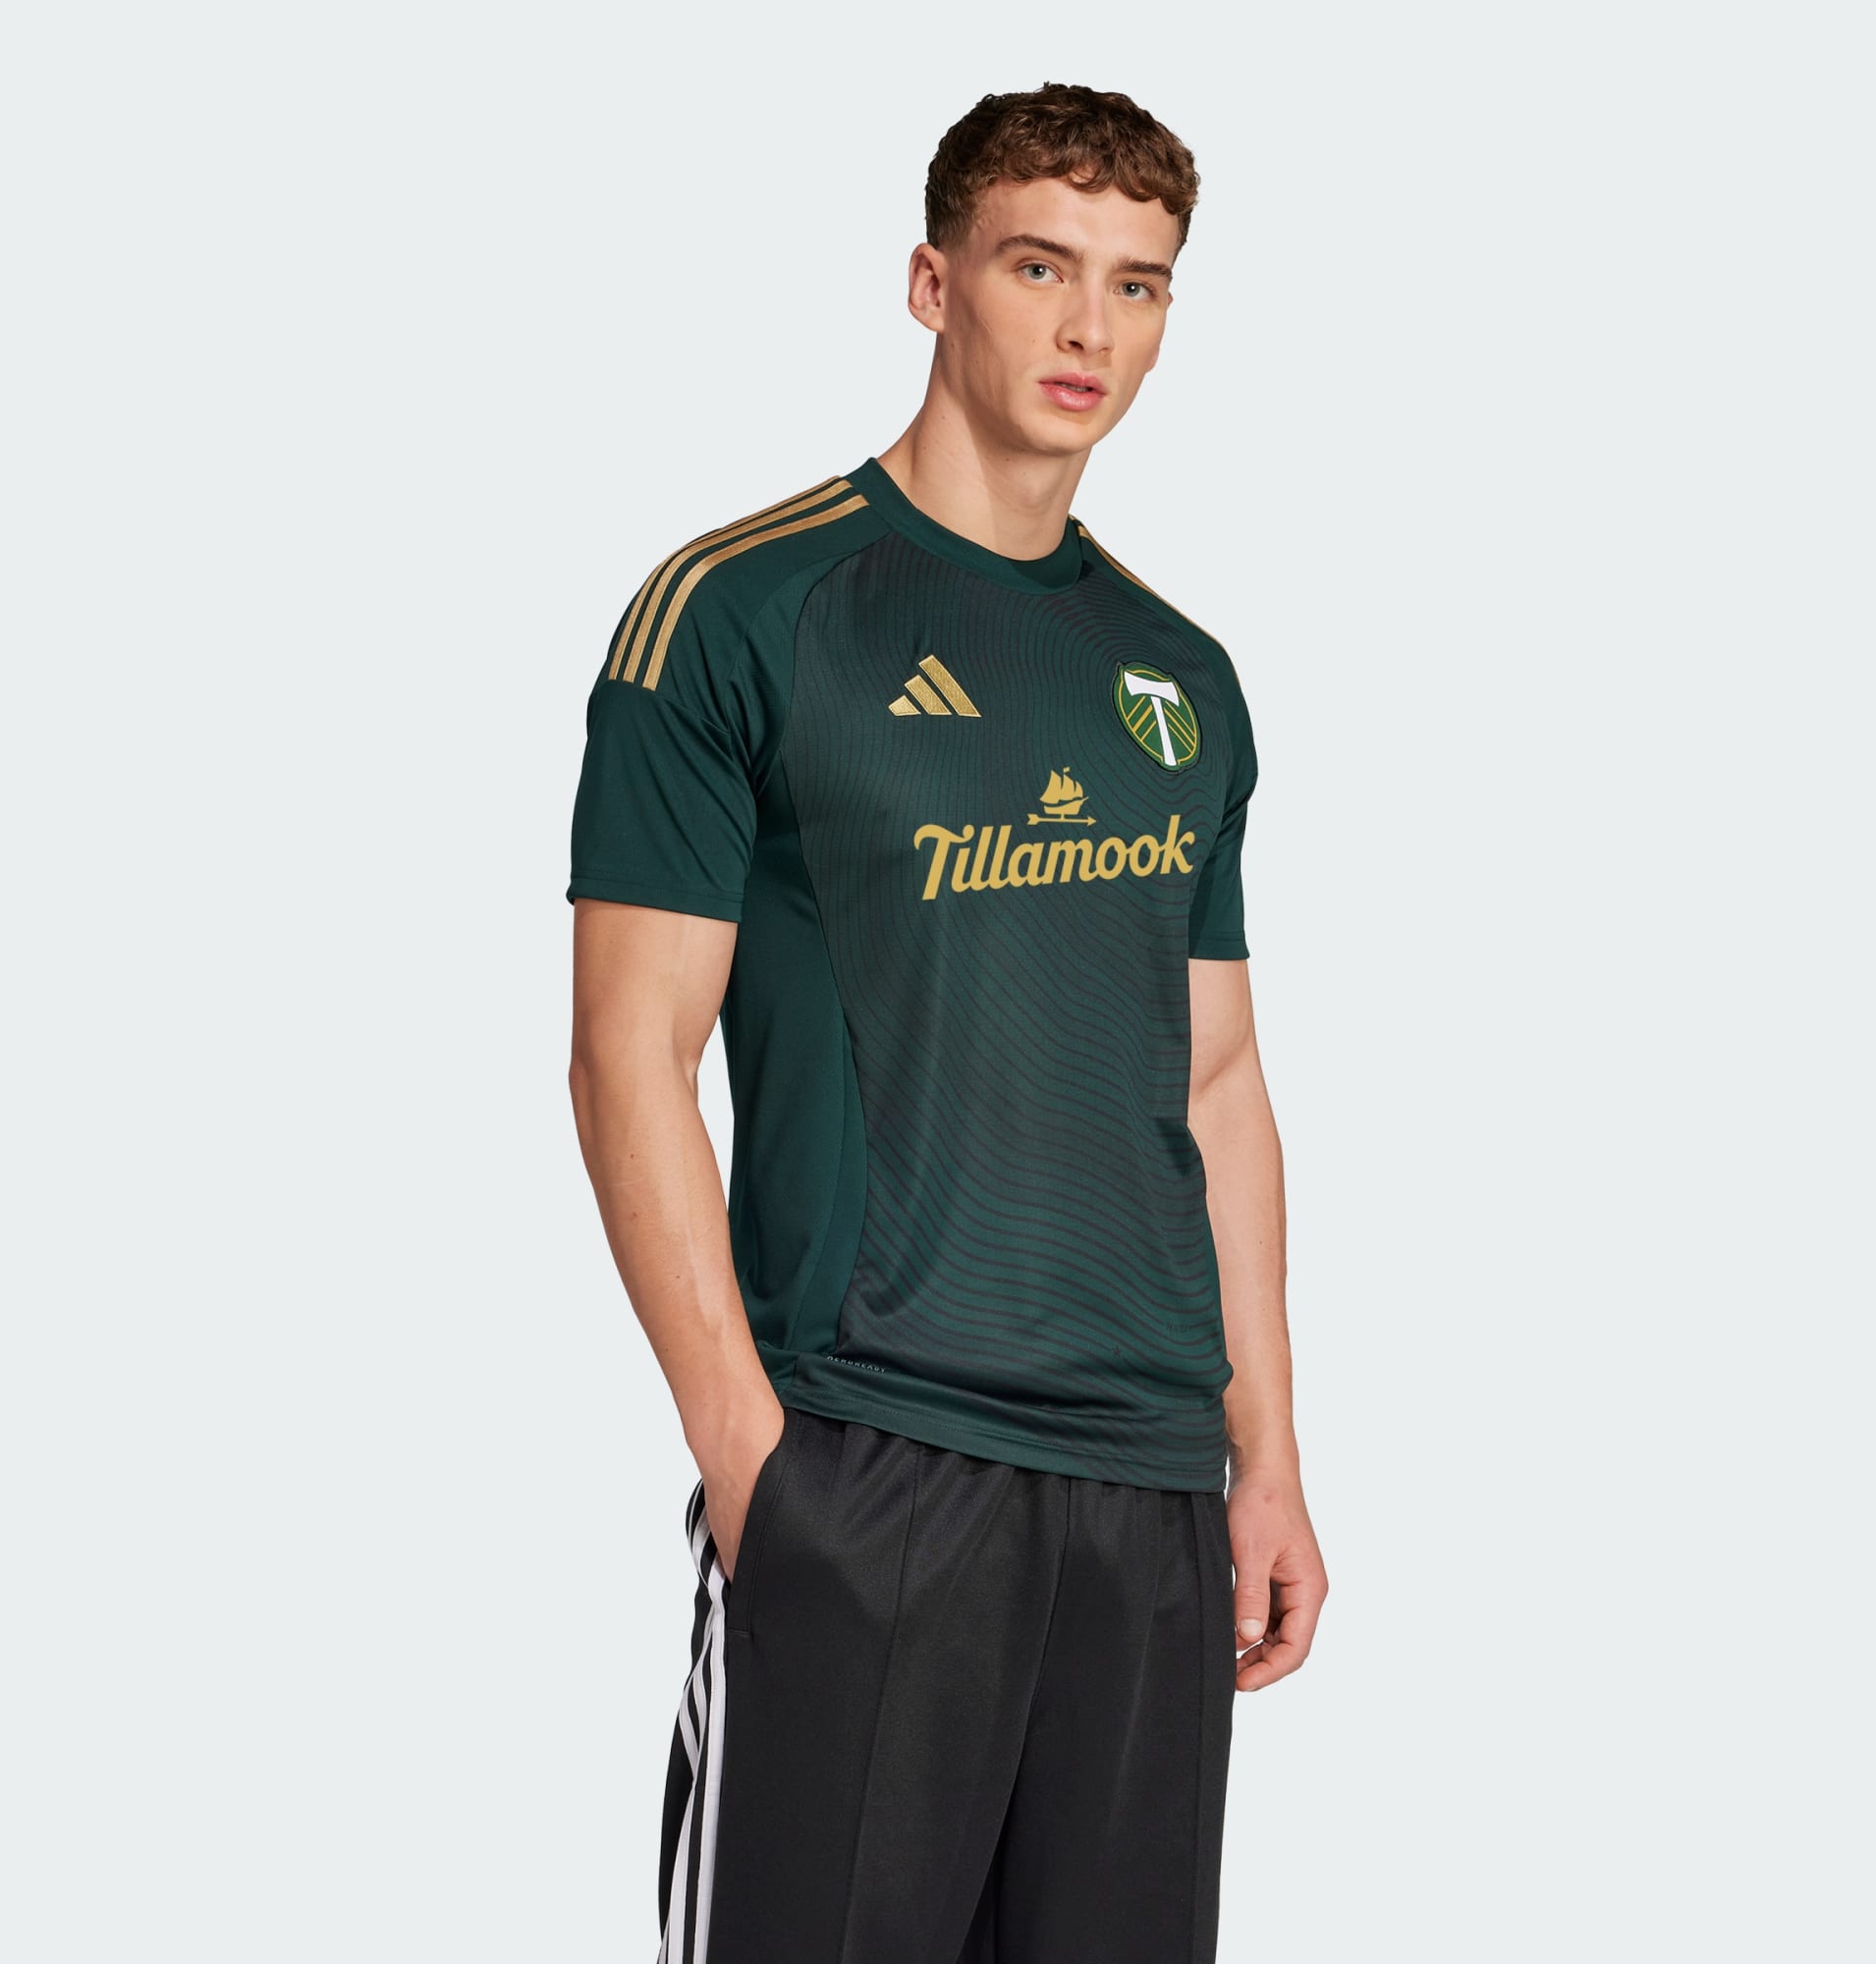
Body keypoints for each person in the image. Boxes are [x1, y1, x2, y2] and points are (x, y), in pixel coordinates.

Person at [567, 80, 1327, 1964]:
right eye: (1040, 267)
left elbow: (1218, 1080)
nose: (1091, 330)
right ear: (932, 283)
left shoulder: (1180, 677)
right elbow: (627, 1054)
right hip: (872, 1455)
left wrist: (1267, 1457)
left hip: (1151, 1492)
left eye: (1139, 285)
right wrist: (753, 1465)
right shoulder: (741, 615)